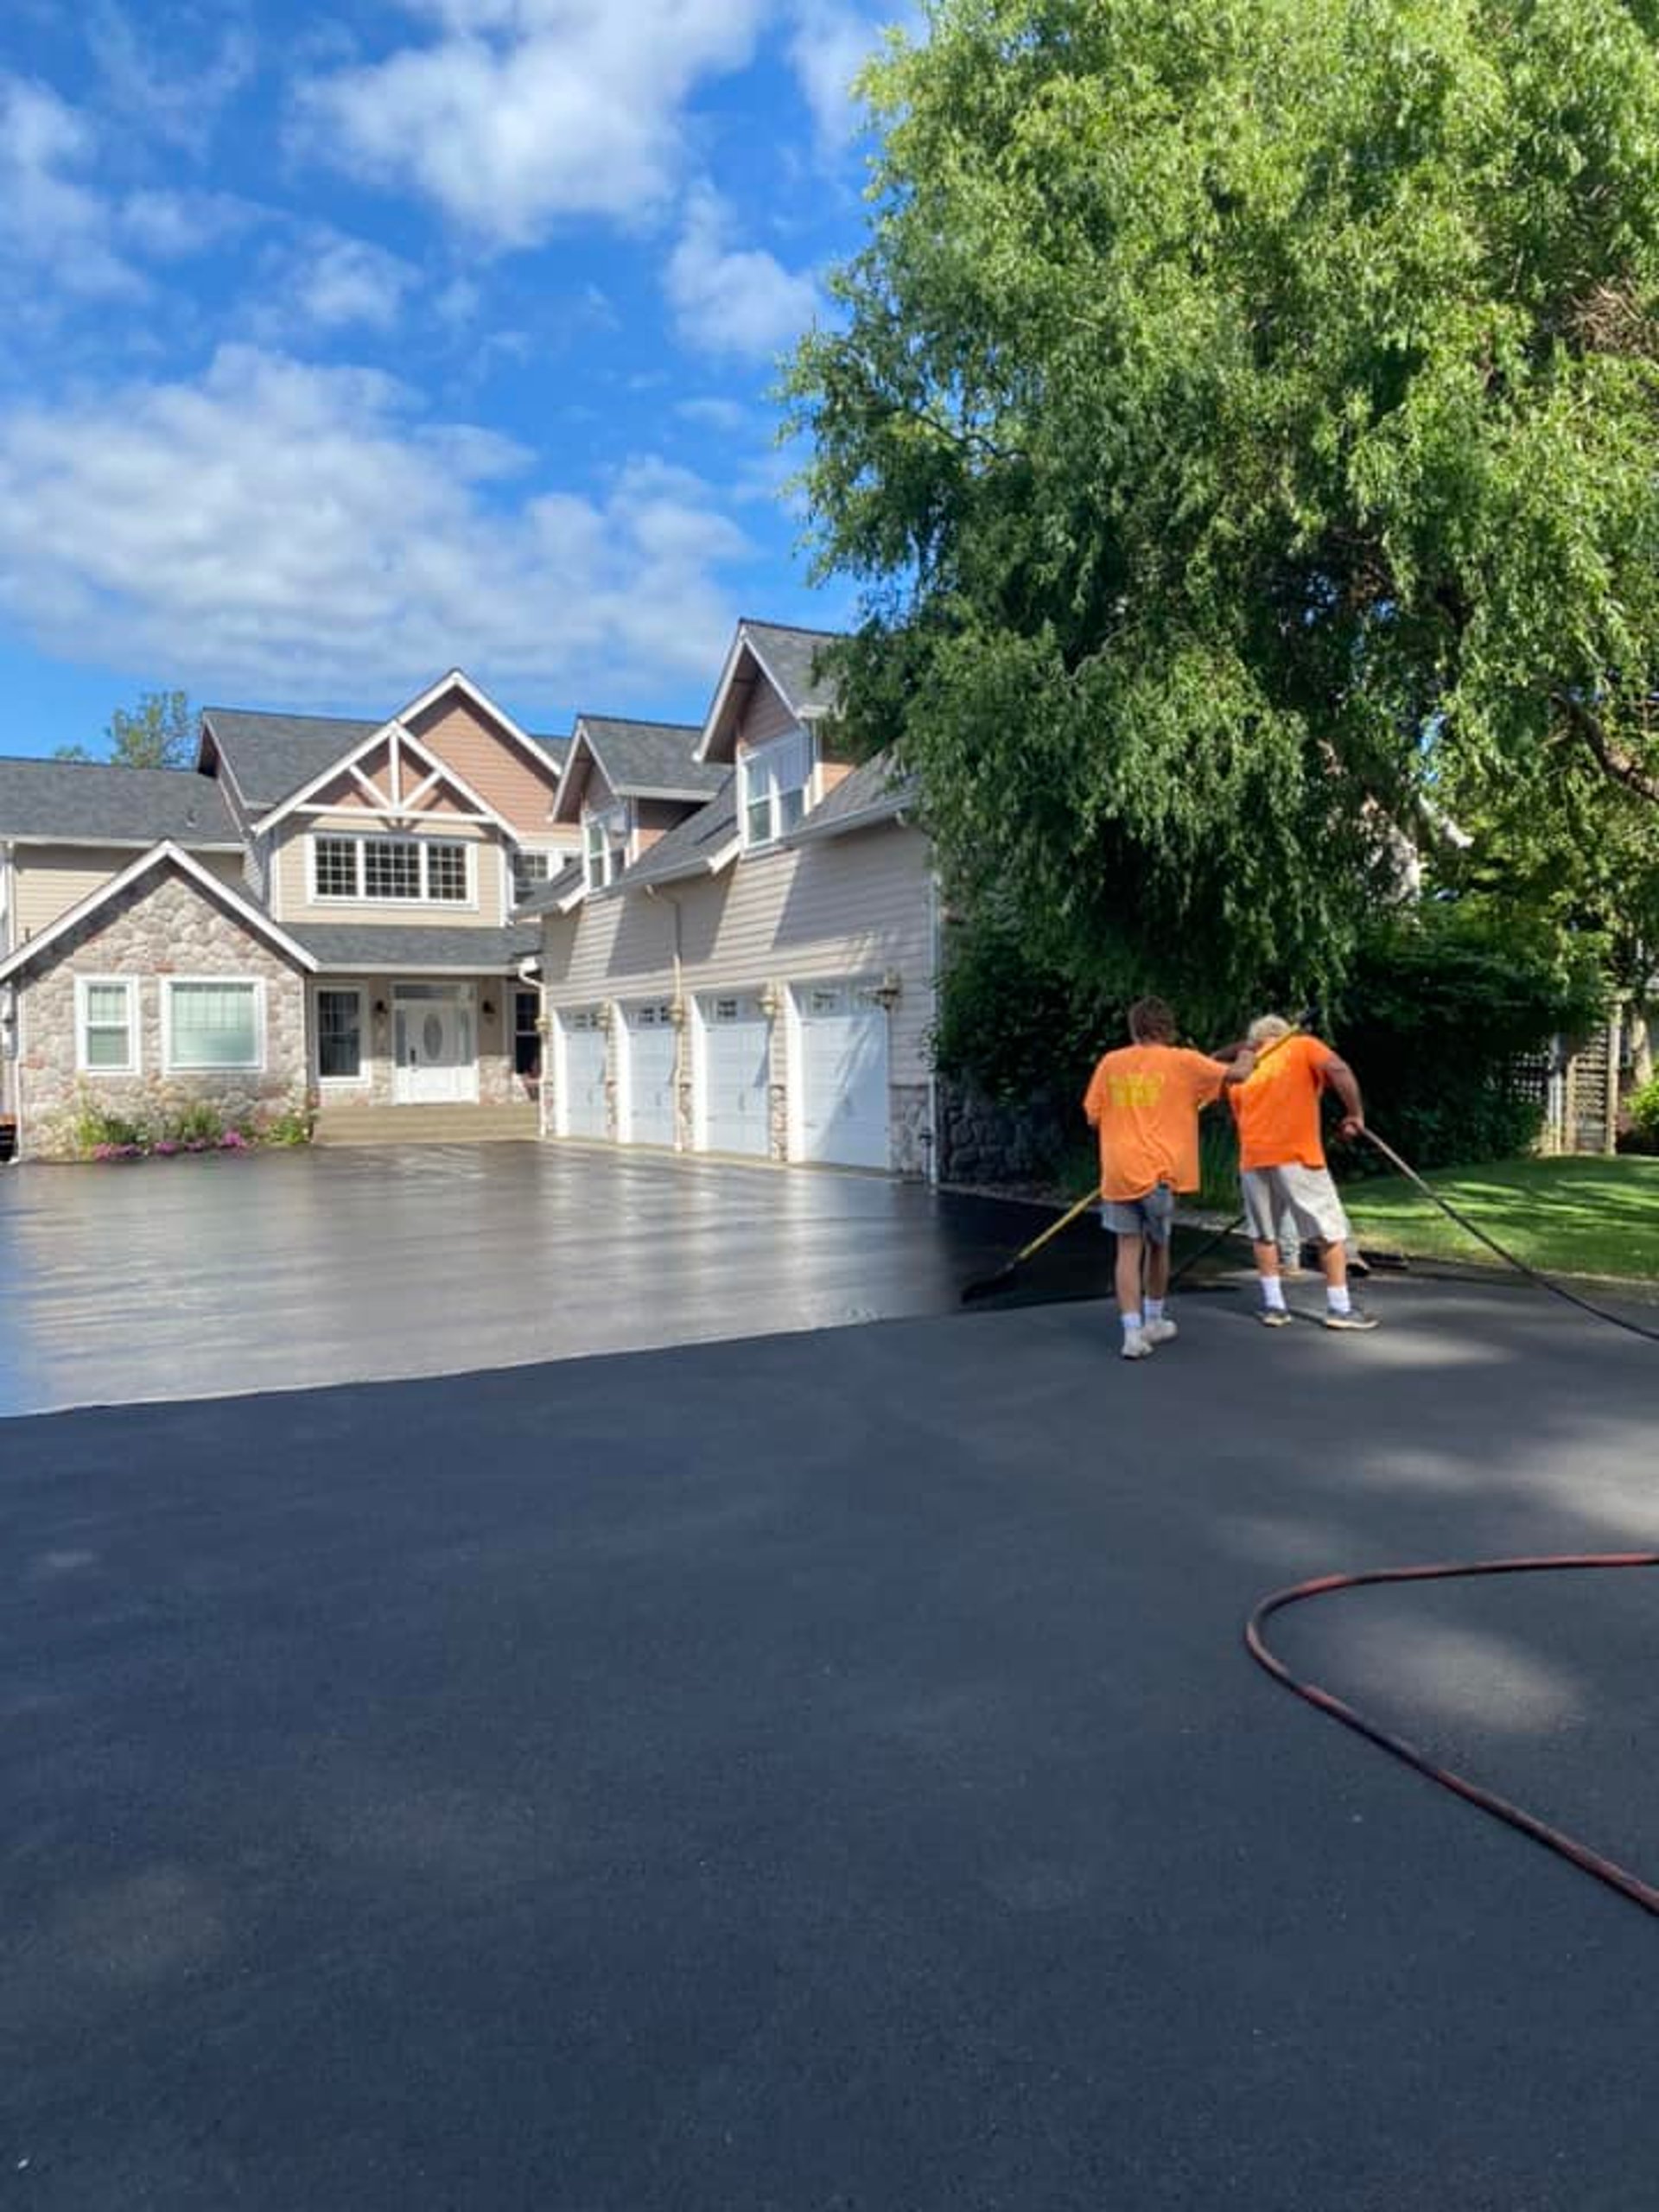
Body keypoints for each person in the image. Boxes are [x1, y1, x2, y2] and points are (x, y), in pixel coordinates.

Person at [1083, 998, 1250, 1361]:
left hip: (1118, 1170)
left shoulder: (1111, 1063)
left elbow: (1093, 1115)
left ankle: (1131, 1333)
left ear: (1134, 1028)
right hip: (1158, 1171)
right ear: (1167, 1027)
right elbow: (1238, 1076)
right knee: (1158, 1246)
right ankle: (1154, 1319)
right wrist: (1248, 1051)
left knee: (1127, 1250)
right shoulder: (1183, 1060)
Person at [1229, 1014, 1376, 1331]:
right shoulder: (1302, 1046)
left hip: (1254, 1158)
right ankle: (1339, 1307)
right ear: (1283, 1034)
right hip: (1296, 1155)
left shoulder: (1245, 1069)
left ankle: (1274, 1306)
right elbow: (1338, 1069)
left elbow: (1237, 1115)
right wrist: (1355, 1114)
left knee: (1264, 1234)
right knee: (1329, 1231)